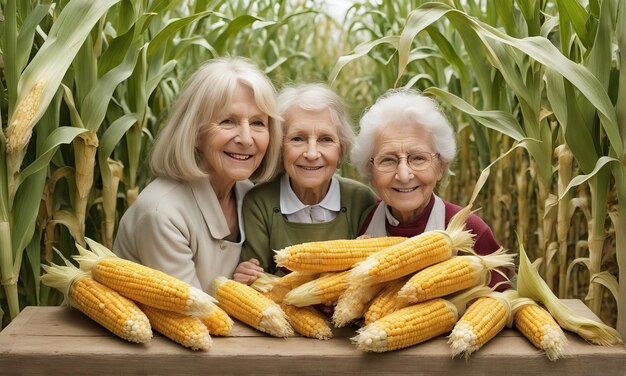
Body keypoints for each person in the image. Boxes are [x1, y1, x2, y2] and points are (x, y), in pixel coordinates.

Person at [113, 57, 282, 292]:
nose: (246, 138)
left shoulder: (250, 194)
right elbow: (189, 314)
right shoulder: (162, 213)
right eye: (227, 121)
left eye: (258, 123)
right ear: (194, 132)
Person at [351, 89, 510, 288]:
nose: (403, 175)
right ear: (371, 172)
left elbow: (500, 302)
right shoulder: (360, 222)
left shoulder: (471, 230)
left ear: (440, 168)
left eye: (418, 158)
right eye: (388, 160)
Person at [234, 83, 376, 284]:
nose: (311, 154)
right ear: (280, 147)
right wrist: (246, 275)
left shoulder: (360, 199)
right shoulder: (260, 203)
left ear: (341, 150)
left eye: (325, 139)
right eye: (298, 138)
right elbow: (257, 281)